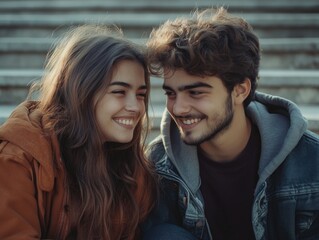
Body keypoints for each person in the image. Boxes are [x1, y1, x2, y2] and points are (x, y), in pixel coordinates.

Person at [142, 7, 319, 240]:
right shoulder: (158, 166)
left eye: (195, 93)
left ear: (240, 90)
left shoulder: (309, 160)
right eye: (171, 93)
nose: (177, 108)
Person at [0, 25, 157, 239]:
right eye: (119, 92)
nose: (136, 107)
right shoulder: (18, 157)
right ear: (81, 93)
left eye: (140, 94)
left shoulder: (132, 169)